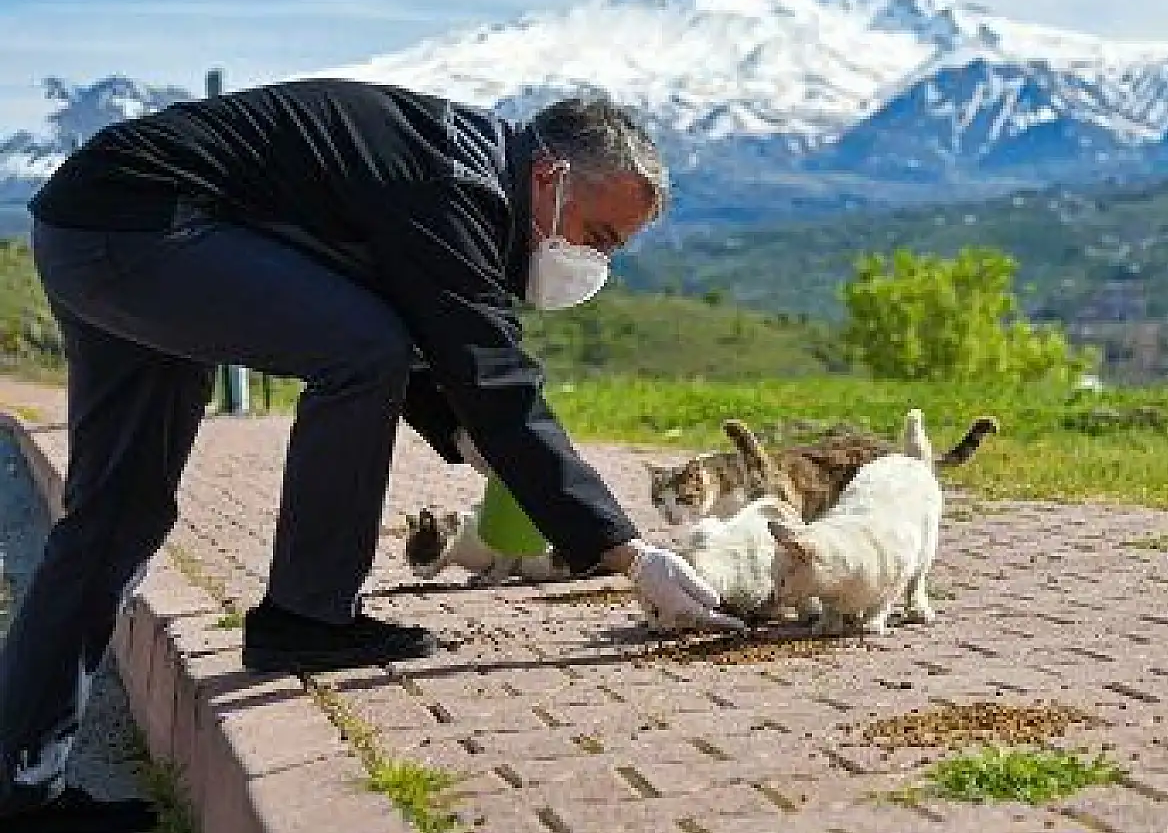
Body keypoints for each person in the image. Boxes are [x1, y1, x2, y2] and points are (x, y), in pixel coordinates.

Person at [0, 78, 743, 832]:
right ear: (550, 178)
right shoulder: (458, 185)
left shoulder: (467, 168)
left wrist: (471, 443)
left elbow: (438, 339)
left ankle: (20, 791)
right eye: (599, 236)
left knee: (118, 512)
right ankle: (307, 616)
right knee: (363, 349)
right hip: (147, 228)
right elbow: (488, 377)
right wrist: (631, 556)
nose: (595, 262)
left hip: (92, 225)